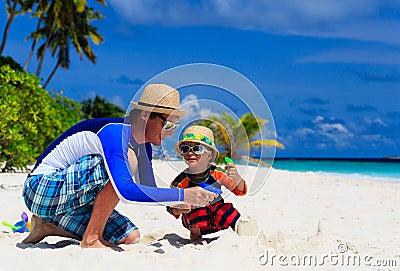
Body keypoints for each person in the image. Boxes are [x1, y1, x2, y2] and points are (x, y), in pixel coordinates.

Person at [21, 84, 217, 249]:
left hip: (70, 201)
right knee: (127, 161)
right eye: (168, 125)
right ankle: (91, 239)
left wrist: (175, 204)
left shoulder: (143, 147)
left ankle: (47, 226)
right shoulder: (116, 133)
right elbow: (125, 191)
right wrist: (183, 194)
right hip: (40, 189)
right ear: (146, 116)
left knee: (131, 237)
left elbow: (149, 191)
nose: (171, 133)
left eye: (175, 126)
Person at [167, 125, 247, 242]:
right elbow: (170, 205)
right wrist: (177, 209)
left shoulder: (217, 173)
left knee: (227, 210)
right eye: (185, 149)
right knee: (193, 210)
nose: (190, 153)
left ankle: (240, 232)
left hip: (217, 218)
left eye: (197, 149)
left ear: (209, 155)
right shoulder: (180, 181)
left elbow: (239, 191)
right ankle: (196, 237)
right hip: (196, 222)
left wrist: (236, 177)